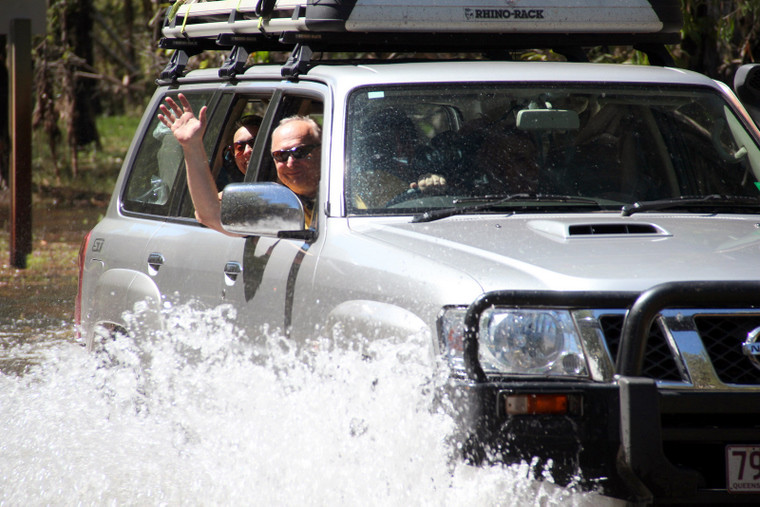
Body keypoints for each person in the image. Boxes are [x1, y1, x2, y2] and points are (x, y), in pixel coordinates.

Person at [158, 93, 321, 234]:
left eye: (300, 152)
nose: (291, 162)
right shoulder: (271, 202)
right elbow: (209, 214)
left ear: (323, 150)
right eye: (281, 155)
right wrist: (192, 145)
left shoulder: (342, 193)